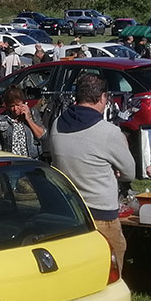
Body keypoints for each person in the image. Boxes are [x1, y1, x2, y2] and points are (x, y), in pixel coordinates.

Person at [49, 74, 134, 268]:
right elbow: (129, 173)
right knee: (110, 269)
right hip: (101, 214)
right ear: (103, 97)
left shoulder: (57, 125)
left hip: (70, 211)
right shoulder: (108, 132)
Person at [0, 87, 46, 158]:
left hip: (31, 159)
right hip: (11, 159)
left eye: (18, 105)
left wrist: (28, 119)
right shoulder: (1, 119)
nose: (15, 109)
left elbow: (42, 136)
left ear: (24, 103)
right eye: (12, 106)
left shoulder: (33, 113)